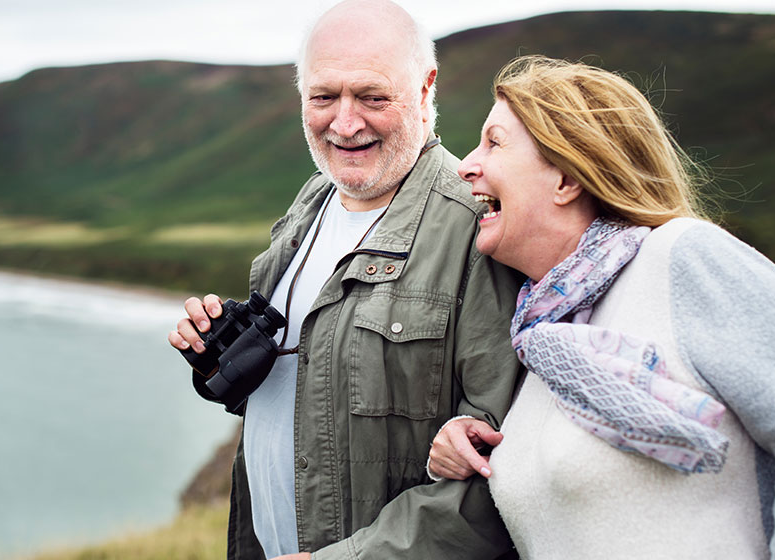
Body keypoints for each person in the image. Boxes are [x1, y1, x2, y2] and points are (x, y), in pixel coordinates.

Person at [169, 1, 524, 558]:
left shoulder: (477, 231)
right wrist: (220, 365)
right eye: (323, 97)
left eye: (372, 97)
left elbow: (498, 475)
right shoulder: (311, 202)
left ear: (426, 89)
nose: (345, 123)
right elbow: (320, 396)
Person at [427, 55, 775, 559]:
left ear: (566, 179)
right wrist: (463, 444)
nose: (466, 165)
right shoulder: (539, 334)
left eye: (495, 143)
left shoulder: (683, 257)